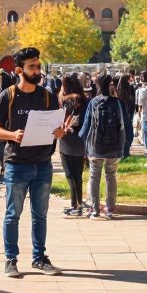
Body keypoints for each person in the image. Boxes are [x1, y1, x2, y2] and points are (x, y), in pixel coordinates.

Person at [0, 47, 67, 277]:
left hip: (43, 164)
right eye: (32, 67)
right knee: (13, 214)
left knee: (40, 214)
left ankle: (39, 257)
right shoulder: (8, 95)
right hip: (17, 163)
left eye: (38, 66)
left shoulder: (47, 96)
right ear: (19, 70)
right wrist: (13, 135)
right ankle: (10, 259)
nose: (37, 70)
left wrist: (59, 132)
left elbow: (55, 127)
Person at [81, 73, 125, 219]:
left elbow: (86, 125)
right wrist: (122, 146)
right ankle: (110, 208)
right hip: (113, 147)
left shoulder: (94, 102)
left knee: (94, 176)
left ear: (98, 85)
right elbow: (121, 126)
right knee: (111, 176)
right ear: (110, 85)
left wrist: (81, 142)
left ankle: (94, 209)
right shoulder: (116, 102)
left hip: (95, 146)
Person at [58, 75, 89, 217]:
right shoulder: (84, 100)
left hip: (67, 140)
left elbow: (66, 120)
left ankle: (75, 205)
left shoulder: (69, 102)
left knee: (70, 174)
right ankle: (78, 204)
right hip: (81, 141)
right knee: (78, 175)